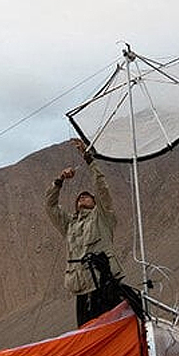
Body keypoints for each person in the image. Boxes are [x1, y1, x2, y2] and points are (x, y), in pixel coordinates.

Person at [46, 138, 129, 326]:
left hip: (105, 284)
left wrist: (89, 160)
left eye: (88, 196)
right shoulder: (69, 225)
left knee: (112, 329)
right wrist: (59, 181)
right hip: (83, 291)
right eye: (79, 197)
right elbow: (50, 206)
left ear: (95, 202)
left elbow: (102, 188)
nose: (83, 197)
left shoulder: (102, 217)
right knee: (87, 334)